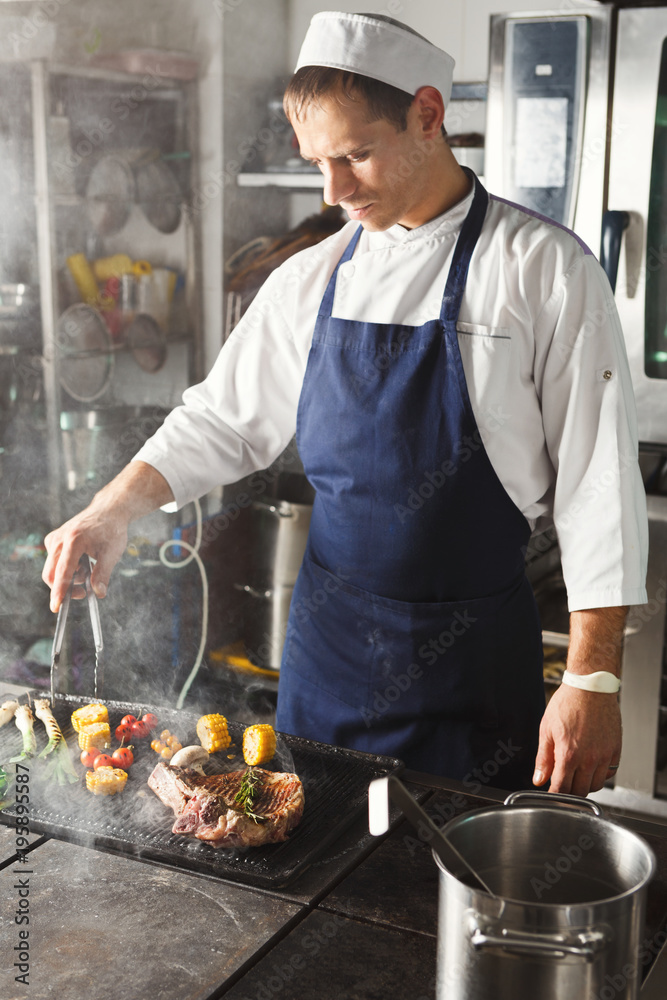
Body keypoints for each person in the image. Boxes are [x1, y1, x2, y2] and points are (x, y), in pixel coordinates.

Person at [43, 12, 647, 794]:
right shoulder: (311, 278)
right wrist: (113, 507)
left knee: (457, 885)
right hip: (327, 665)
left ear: (428, 116)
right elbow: (223, 418)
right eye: (316, 162)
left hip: (468, 667)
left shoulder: (544, 270)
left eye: (355, 155)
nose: (331, 191)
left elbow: (597, 484)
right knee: (312, 871)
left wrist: (592, 681)